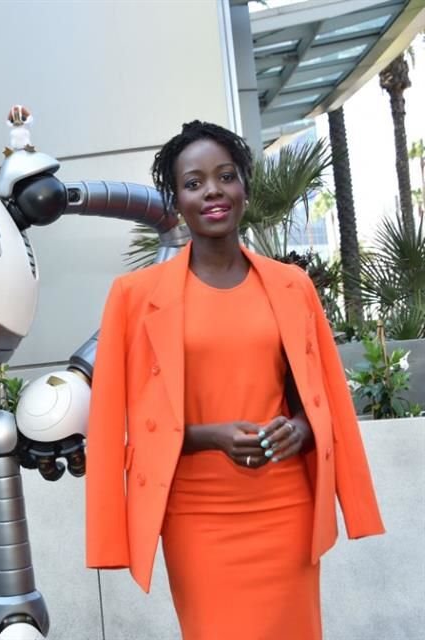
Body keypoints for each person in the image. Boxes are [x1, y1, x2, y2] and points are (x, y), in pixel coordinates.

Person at [84, 121, 385, 639]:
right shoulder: (133, 296)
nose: (212, 192)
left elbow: (320, 398)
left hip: (284, 507)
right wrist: (209, 436)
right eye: (194, 182)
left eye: (225, 176)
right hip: (196, 512)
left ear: (244, 186)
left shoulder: (292, 286)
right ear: (176, 201)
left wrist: (300, 429)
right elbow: (112, 420)